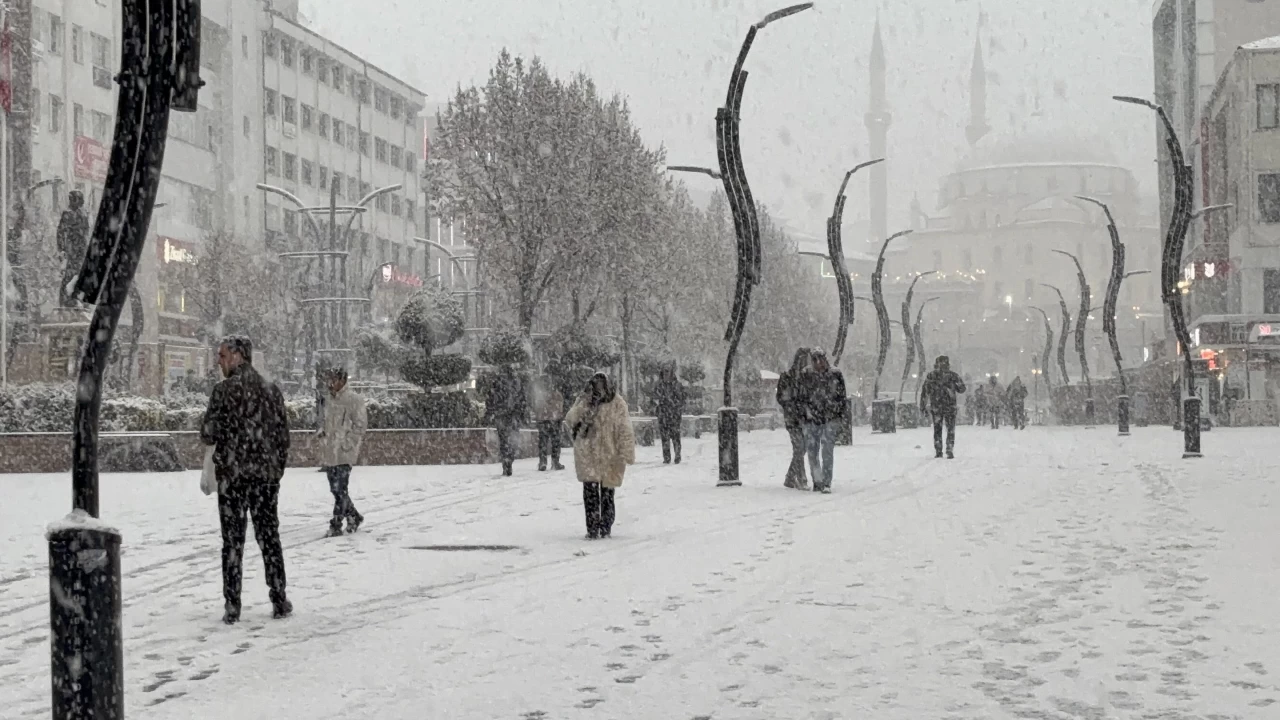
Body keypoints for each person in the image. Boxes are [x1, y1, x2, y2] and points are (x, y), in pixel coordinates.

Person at [200, 336, 292, 624]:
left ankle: (232, 603)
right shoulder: (271, 391)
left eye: (223, 355)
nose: (219, 360)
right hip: (264, 479)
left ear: (238, 356)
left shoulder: (223, 392)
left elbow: (208, 434)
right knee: (269, 538)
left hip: (233, 479)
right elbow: (283, 437)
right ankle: (278, 597)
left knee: (232, 542)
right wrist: (275, 470)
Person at [564, 372, 636, 539]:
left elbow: (625, 428)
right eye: (595, 384)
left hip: (610, 454)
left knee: (607, 492)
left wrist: (626, 451)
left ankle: (605, 526)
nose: (599, 388)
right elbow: (570, 420)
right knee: (589, 491)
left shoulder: (617, 403)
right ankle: (592, 527)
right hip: (588, 453)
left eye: (601, 384)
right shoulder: (584, 401)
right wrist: (584, 404)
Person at [317, 367, 367, 537]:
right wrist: (322, 432)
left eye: (333, 379)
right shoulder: (329, 400)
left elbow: (360, 425)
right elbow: (325, 420)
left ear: (342, 380)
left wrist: (347, 443)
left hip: (345, 452)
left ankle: (336, 524)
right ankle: (353, 516)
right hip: (331, 452)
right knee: (335, 489)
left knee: (340, 489)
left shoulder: (354, 399)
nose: (329, 383)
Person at [801, 349, 847, 494]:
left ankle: (826, 481)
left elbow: (841, 397)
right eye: (815, 360)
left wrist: (837, 413)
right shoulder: (807, 375)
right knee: (812, 451)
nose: (818, 363)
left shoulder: (835, 374)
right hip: (812, 418)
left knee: (827, 450)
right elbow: (801, 397)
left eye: (820, 359)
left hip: (829, 418)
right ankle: (818, 480)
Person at [775, 348, 812, 490]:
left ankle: (790, 477)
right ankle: (801, 479)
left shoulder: (807, 378)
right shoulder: (787, 377)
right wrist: (790, 404)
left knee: (801, 449)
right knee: (799, 447)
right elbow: (781, 398)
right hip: (792, 419)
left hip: (802, 418)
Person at [920, 355, 967, 459]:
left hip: (937, 406)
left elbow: (924, 393)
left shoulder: (931, 376)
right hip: (949, 406)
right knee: (950, 428)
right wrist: (952, 387)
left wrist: (923, 406)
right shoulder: (953, 376)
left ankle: (938, 449)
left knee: (938, 429)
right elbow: (962, 389)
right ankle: (949, 449)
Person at [485, 365, 527, 476]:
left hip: (500, 415)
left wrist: (490, 412)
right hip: (513, 416)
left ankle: (505, 461)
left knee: (503, 439)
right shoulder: (516, 383)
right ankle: (510, 458)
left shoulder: (496, 383)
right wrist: (521, 413)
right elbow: (522, 399)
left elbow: (490, 398)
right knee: (513, 439)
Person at [529, 374, 565, 472]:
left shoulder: (540, 394)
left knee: (543, 443)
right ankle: (554, 462)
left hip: (544, 420)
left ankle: (543, 462)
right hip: (553, 420)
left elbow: (536, 407)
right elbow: (560, 407)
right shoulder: (556, 394)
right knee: (555, 442)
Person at [652, 366, 687, 464]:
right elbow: (654, 399)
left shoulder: (677, 385)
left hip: (674, 415)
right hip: (663, 415)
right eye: (664, 373)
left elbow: (682, 399)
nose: (666, 376)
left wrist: (675, 406)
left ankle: (677, 455)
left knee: (675, 436)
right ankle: (667, 457)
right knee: (665, 437)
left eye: (668, 373)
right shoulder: (659, 386)